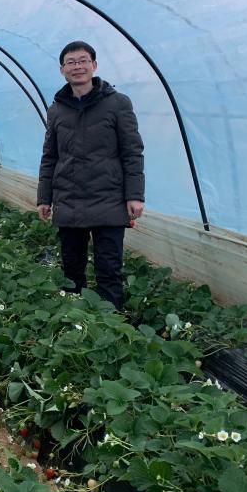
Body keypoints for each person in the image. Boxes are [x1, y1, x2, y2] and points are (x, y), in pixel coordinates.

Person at [36, 40, 145, 309]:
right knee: (71, 268)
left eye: (83, 61)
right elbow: (50, 156)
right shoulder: (57, 109)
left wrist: (134, 195)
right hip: (69, 198)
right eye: (71, 62)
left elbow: (132, 151)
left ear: (94, 65)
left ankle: (111, 321)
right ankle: (75, 321)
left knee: (109, 268)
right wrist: (44, 197)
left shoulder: (117, 103)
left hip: (108, 197)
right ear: (62, 70)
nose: (77, 67)